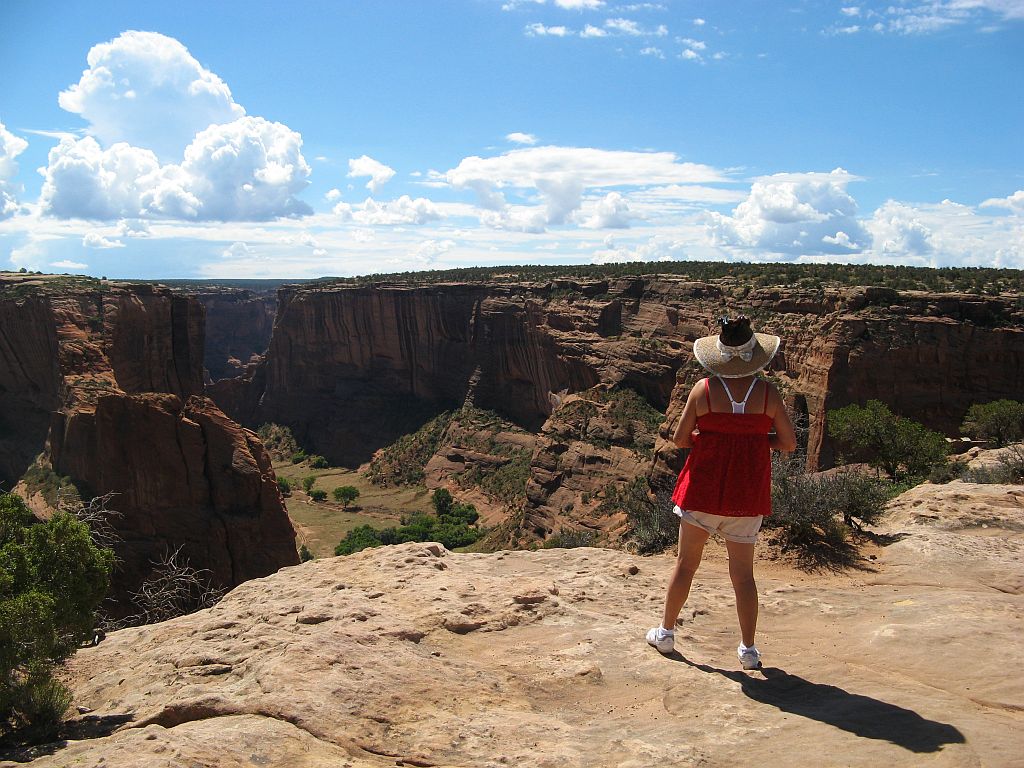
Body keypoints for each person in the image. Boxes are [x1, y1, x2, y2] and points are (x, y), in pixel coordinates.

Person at [646, 316, 797, 669]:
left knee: (685, 565)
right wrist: (757, 440)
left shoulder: (704, 390)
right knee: (743, 576)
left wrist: (712, 437)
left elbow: (681, 439)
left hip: (702, 490)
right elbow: (788, 443)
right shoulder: (768, 394)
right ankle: (748, 651)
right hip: (747, 494)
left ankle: (666, 634)